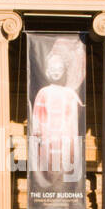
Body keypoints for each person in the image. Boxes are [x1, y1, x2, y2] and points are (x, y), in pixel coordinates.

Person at [31, 50, 83, 182]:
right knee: (50, 170)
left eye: (59, 68)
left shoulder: (70, 94)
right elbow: (36, 118)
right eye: (53, 68)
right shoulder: (43, 92)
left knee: (64, 170)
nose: (56, 72)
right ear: (47, 70)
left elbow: (74, 121)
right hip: (48, 141)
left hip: (65, 140)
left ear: (64, 71)